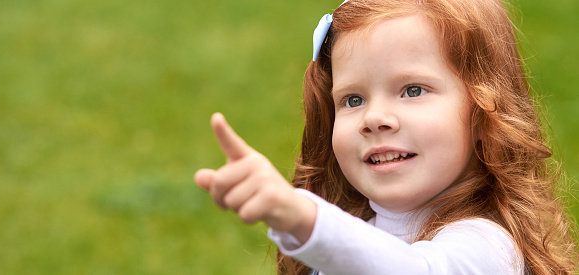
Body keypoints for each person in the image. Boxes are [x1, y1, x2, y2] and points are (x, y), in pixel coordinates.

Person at [194, 0, 577, 274]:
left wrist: (303, 219)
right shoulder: (352, 242)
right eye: (353, 99)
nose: (374, 118)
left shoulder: (486, 247)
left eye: (412, 90)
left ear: (483, 111)